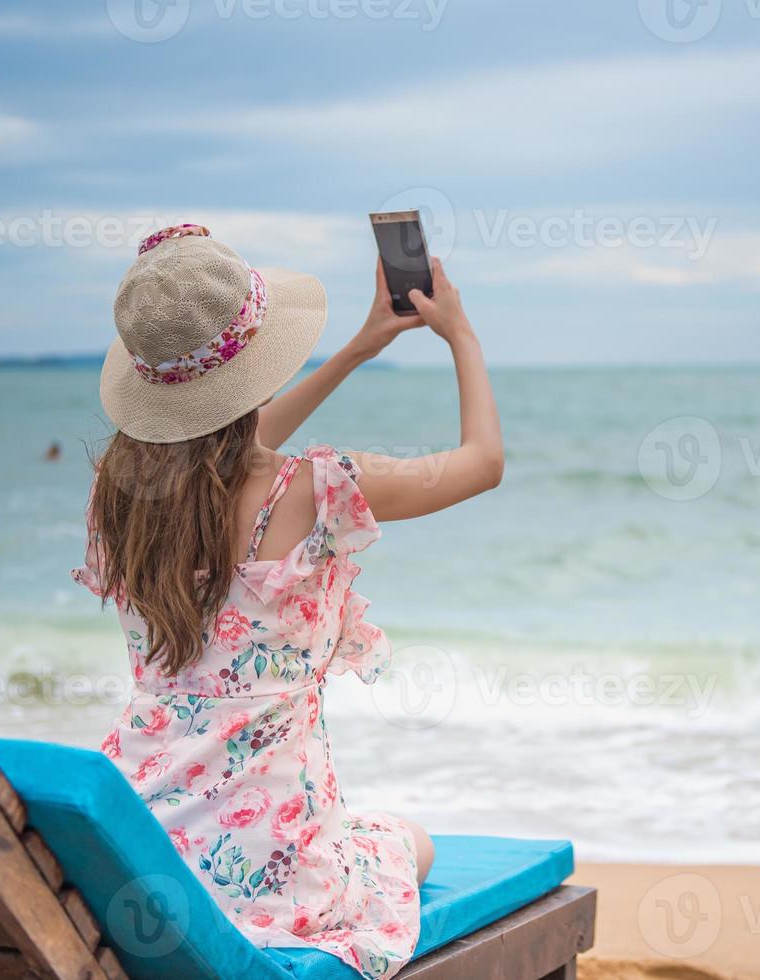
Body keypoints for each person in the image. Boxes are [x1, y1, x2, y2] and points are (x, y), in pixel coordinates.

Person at [71, 224, 502, 980]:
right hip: (274, 852)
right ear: (255, 361)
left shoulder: (122, 494)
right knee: (409, 841)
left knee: (382, 834)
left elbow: (215, 445)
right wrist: (459, 332)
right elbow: (481, 465)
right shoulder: (312, 487)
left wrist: (360, 349)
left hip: (141, 836)